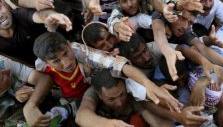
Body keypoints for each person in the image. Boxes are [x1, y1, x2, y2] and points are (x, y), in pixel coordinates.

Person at [23, 32, 181, 126]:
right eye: (56, 61)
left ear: (69, 45)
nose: (66, 63)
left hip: (96, 87)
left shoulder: (82, 52)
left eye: (66, 53)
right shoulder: (41, 66)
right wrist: (30, 104)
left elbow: (118, 65)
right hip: (74, 99)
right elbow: (43, 80)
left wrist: (148, 84)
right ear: (46, 62)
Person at [76, 68, 171, 127]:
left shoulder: (132, 93)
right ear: (100, 95)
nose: (119, 103)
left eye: (122, 94)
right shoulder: (92, 93)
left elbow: (158, 123)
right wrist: (108, 124)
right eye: (111, 99)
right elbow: (81, 116)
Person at [0, 0, 71, 65]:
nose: (0, 15)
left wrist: (51, 15)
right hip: (33, 69)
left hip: (57, 56)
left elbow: (40, 15)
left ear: (3, 4)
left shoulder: (20, 14)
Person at [0, 54, 52, 126]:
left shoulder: (4, 65)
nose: (7, 70)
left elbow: (44, 79)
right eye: (2, 78)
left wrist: (30, 105)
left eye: (1, 70)